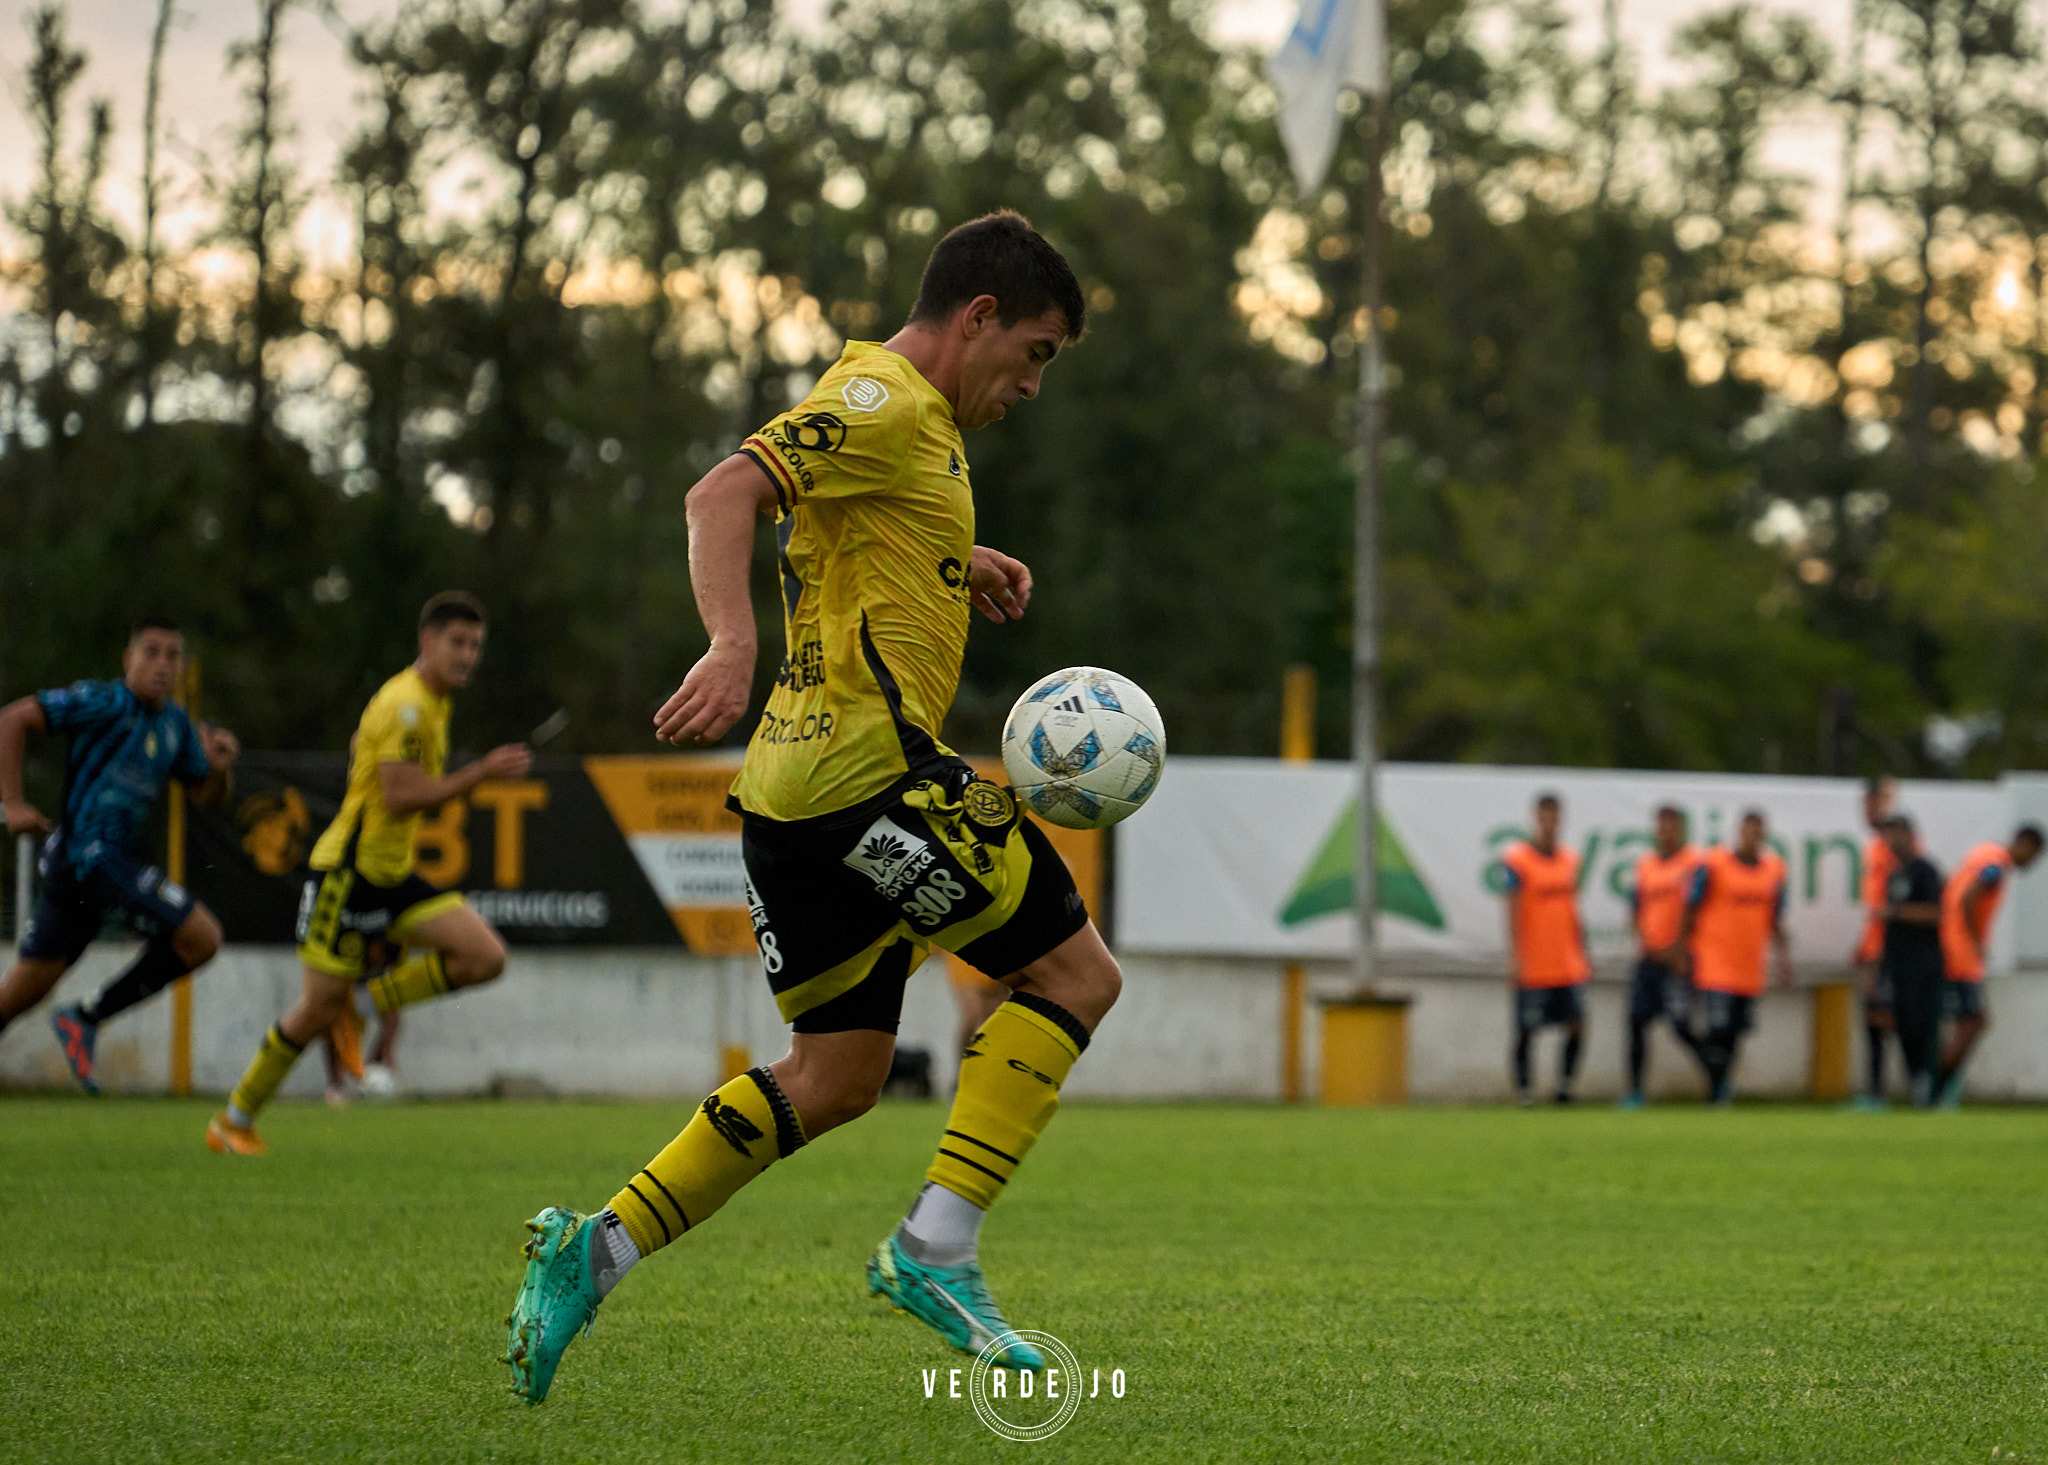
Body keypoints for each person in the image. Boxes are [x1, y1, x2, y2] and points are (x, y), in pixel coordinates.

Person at [503, 212, 1115, 1406]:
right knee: (1077, 977)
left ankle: (597, 1248)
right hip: (868, 778)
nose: (1033, 384)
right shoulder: (889, 404)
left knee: (834, 1075)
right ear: (977, 316)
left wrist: (957, 555)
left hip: (790, 801)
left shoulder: (904, 422)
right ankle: (933, 1250)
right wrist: (730, 641)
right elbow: (720, 491)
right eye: (1035, 351)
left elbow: (841, 523)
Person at [205, 592, 532, 1154]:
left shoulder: (430, 702)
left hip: (392, 874)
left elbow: (366, 749)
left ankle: (356, 1008)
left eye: (475, 645)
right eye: (457, 642)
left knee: (484, 956)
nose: (468, 656)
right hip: (347, 874)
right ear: (427, 641)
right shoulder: (408, 705)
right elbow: (402, 796)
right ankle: (233, 1120)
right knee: (312, 1010)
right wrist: (481, 773)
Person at [0, 618, 240, 1092]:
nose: (163, 665)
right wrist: (12, 802)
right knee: (203, 937)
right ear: (128, 659)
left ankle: (82, 1019)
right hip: (88, 859)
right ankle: (86, 1017)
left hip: (92, 876)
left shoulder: (176, 725)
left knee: (13, 1000)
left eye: (173, 656)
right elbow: (13, 718)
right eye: (151, 652)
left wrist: (218, 771)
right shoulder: (103, 701)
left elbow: (205, 796)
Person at [1679, 810, 1791, 1105]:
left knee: (1735, 1034)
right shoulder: (1714, 864)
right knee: (1716, 1030)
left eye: (1759, 831)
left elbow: (1775, 919)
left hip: (1749, 964)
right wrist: (1684, 948)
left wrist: (1784, 960)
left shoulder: (1774, 870)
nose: (1753, 837)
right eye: (1748, 830)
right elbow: (1691, 906)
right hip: (1715, 960)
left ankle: (1720, 1088)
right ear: (1739, 832)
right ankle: (1718, 1091)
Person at [1933, 824, 2043, 1106]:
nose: (2031, 862)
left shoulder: (1983, 852)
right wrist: (1977, 940)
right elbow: (1969, 897)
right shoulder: (1996, 865)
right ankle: (1938, 1091)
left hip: (1952, 949)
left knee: (1972, 1022)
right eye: (2034, 854)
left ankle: (1940, 1088)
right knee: (1971, 1023)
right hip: (1962, 956)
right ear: (2025, 844)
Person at [1499, 793, 1590, 1106]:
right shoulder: (1517, 860)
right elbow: (1511, 909)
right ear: (1536, 819)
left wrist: (1582, 949)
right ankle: (1525, 1091)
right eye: (1545, 817)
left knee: (1577, 1024)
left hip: (1567, 960)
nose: (1550, 824)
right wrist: (1514, 956)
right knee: (1527, 1027)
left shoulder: (1569, 860)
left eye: (1555, 817)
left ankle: (1564, 1088)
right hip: (1534, 960)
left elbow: (1573, 909)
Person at [1619, 805, 1698, 1108]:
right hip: (1650, 958)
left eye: (1672, 826)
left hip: (1678, 960)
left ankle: (1718, 1081)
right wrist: (1646, 942)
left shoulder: (1693, 863)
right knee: (1636, 1022)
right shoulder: (1645, 866)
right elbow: (1636, 909)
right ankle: (1636, 1091)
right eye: (1662, 826)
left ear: (1681, 830)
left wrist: (1678, 949)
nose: (1666, 832)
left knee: (1682, 1027)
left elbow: (1694, 909)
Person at [1875, 814, 1945, 1108]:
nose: (1892, 842)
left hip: (1924, 964)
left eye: (1897, 835)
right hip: (1897, 964)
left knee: (1923, 1025)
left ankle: (1932, 1084)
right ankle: (1916, 1082)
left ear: (1910, 836)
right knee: (1901, 1025)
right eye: (1888, 836)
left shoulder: (1926, 871)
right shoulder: (1894, 875)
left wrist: (1897, 913)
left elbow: (1936, 914)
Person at [1849, 776, 1901, 1112]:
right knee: (1874, 1019)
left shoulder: (1896, 847)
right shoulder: (1875, 846)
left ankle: (1883, 1092)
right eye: (1866, 802)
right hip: (1874, 947)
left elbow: (1895, 904)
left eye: (1876, 801)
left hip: (1890, 950)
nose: (1869, 809)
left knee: (1884, 1018)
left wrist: (1881, 949)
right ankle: (1875, 1092)